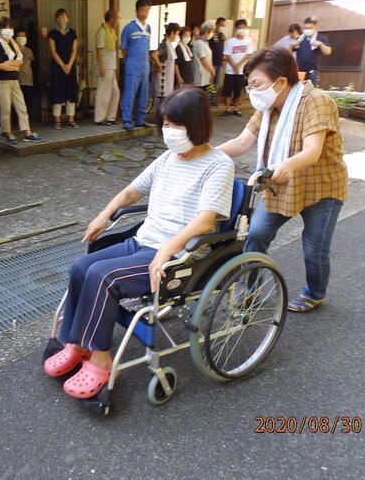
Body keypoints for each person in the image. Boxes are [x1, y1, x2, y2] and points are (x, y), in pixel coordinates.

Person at [43, 86, 234, 399]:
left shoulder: (218, 164)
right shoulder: (168, 158)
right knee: (81, 266)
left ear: (197, 123)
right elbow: (132, 191)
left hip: (178, 254)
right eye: (166, 125)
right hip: (144, 239)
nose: (168, 132)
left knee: (102, 276)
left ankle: (101, 359)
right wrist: (103, 216)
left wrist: (168, 248)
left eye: (176, 125)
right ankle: (77, 343)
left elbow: (205, 220)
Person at [217, 46, 347, 312]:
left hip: (321, 186)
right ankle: (249, 290)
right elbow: (242, 142)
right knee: (256, 235)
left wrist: (287, 164)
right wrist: (202, 155)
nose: (251, 91)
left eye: (256, 84)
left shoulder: (316, 100)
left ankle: (314, 293)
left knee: (314, 248)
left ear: (281, 81)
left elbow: (312, 151)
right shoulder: (268, 106)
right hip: (280, 185)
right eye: (249, 85)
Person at [0, 17, 43, 143]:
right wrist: (12, 66)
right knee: (6, 108)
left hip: (14, 80)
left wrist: (9, 64)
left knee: (21, 106)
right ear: (0, 29)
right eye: (6, 28)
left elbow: (19, 62)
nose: (9, 30)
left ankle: (27, 132)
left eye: (10, 28)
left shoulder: (13, 43)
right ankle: (7, 132)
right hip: (1, 81)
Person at [120, 0, 161, 131]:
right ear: (137, 10)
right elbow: (124, 50)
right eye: (143, 10)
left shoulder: (148, 28)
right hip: (132, 65)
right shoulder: (128, 28)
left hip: (145, 65)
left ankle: (140, 120)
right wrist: (130, 62)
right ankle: (126, 121)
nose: (145, 13)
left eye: (147, 10)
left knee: (144, 94)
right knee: (130, 93)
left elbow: (148, 47)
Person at [48, 9, 79, 129]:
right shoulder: (52, 34)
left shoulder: (72, 32)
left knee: (71, 91)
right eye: (60, 17)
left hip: (70, 66)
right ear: (56, 19)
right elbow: (53, 52)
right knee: (58, 91)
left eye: (64, 17)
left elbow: (74, 50)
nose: (62, 19)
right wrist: (63, 65)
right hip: (57, 67)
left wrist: (69, 65)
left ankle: (71, 119)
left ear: (68, 19)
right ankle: (57, 119)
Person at [221, 19, 254, 117]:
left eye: (243, 27)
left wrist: (238, 65)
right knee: (227, 90)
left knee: (238, 90)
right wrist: (233, 65)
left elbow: (248, 54)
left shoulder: (248, 40)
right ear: (236, 28)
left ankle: (236, 108)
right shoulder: (229, 41)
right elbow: (227, 55)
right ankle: (227, 108)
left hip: (240, 71)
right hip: (229, 71)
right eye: (239, 28)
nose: (241, 29)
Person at [94, 9, 120, 126]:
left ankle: (110, 117)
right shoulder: (102, 31)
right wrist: (101, 66)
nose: (118, 20)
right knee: (103, 93)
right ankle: (100, 118)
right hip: (105, 66)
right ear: (112, 18)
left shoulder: (111, 31)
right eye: (117, 18)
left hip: (111, 66)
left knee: (115, 92)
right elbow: (98, 50)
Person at [292, 16, 332, 87]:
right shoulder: (300, 38)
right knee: (297, 91)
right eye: (306, 28)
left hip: (312, 71)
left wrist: (320, 44)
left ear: (315, 27)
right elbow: (288, 53)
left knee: (310, 92)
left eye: (310, 28)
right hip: (299, 71)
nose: (307, 30)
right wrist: (291, 46)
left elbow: (328, 52)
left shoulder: (320, 38)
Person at [15, 28, 37, 122]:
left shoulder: (28, 51)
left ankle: (28, 122)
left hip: (28, 79)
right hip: (17, 80)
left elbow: (23, 63)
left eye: (24, 36)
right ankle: (17, 121)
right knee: (18, 103)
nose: (22, 38)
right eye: (20, 36)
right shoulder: (12, 50)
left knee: (28, 102)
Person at [208, 17, 227, 106]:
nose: (222, 27)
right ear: (217, 24)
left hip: (219, 62)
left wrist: (223, 59)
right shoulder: (211, 35)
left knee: (216, 82)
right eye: (221, 25)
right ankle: (208, 99)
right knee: (210, 81)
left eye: (224, 25)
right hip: (212, 62)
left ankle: (213, 99)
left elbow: (223, 48)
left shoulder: (222, 36)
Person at [192, 21, 216, 93]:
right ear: (206, 31)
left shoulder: (205, 43)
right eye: (212, 31)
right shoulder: (199, 43)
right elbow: (203, 60)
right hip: (200, 75)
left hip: (206, 74)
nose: (212, 33)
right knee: (199, 96)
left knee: (204, 95)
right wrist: (212, 70)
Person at [158, 22, 180, 97]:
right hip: (163, 80)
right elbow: (154, 55)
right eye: (177, 34)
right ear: (172, 33)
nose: (177, 36)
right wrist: (159, 66)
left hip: (169, 78)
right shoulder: (164, 44)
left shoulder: (170, 44)